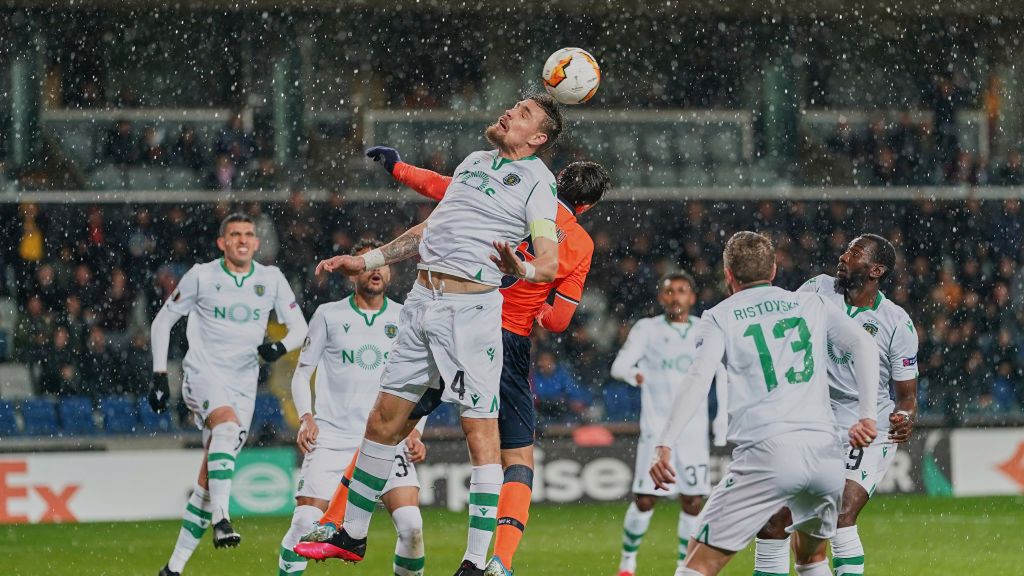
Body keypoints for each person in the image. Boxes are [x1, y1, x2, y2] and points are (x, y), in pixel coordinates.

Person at [311, 94, 564, 576]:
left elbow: (549, 261)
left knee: (479, 430)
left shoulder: (538, 183)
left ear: (538, 138)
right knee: (383, 420)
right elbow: (430, 230)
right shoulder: (472, 162)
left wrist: (523, 266)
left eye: (524, 114)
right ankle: (353, 533)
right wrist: (366, 261)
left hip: (469, 313)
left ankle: (473, 561)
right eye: (513, 105)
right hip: (421, 304)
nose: (509, 111)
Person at [355, 147, 610, 576]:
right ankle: (496, 561)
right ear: (587, 205)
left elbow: (441, 187)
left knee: (386, 427)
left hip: (451, 311)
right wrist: (537, 312)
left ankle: (341, 525)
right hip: (503, 337)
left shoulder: (506, 196)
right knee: (515, 457)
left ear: (558, 178)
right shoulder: (579, 243)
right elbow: (561, 318)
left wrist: (397, 166)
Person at [649, 231, 880, 576]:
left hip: (768, 451)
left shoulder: (720, 316)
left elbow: (699, 377)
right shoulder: (812, 304)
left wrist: (665, 441)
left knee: (698, 563)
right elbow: (864, 345)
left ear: (728, 274)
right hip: (826, 454)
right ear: (773, 269)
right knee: (812, 560)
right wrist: (868, 415)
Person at [149, 213, 308, 576]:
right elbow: (162, 321)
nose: (242, 240)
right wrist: (160, 376)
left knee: (208, 481)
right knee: (225, 427)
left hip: (243, 384)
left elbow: (300, 327)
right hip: (202, 374)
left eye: (248, 234)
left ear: (256, 242)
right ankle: (223, 517)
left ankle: (172, 569)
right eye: (234, 234)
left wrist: (278, 347)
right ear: (222, 243)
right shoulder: (202, 275)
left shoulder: (271, 279)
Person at [752, 234, 919, 576]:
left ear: (877, 270)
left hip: (866, 424)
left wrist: (905, 417)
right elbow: (783, 334)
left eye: (855, 253)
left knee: (841, 515)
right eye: (845, 249)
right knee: (775, 521)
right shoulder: (817, 288)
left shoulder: (896, 323)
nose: (843, 256)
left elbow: (906, 398)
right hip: (812, 419)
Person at [277, 239, 427, 576]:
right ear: (352, 272)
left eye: (382, 264)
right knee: (304, 523)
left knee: (411, 525)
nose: (376, 270)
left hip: (388, 440)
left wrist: (417, 430)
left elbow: (424, 379)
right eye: (367, 264)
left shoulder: (406, 317)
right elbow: (302, 374)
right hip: (332, 438)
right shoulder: (329, 315)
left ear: (390, 271)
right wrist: (306, 418)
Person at [610, 271, 727, 576]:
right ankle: (627, 563)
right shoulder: (647, 329)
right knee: (646, 499)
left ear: (693, 297)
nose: (676, 297)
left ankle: (682, 566)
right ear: (661, 297)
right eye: (669, 291)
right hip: (657, 430)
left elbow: (724, 371)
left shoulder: (707, 327)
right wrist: (633, 373)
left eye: (682, 291)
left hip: (693, 431)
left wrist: (722, 420)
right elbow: (618, 365)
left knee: (692, 502)